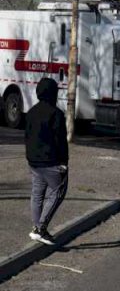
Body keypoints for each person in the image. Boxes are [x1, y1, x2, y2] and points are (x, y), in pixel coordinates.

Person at [25, 78, 68, 246]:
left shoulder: (31, 112)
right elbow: (61, 141)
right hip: (52, 162)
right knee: (57, 192)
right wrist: (64, 162)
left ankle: (37, 227)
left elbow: (27, 136)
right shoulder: (56, 114)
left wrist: (29, 156)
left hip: (34, 161)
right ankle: (40, 229)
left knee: (37, 194)